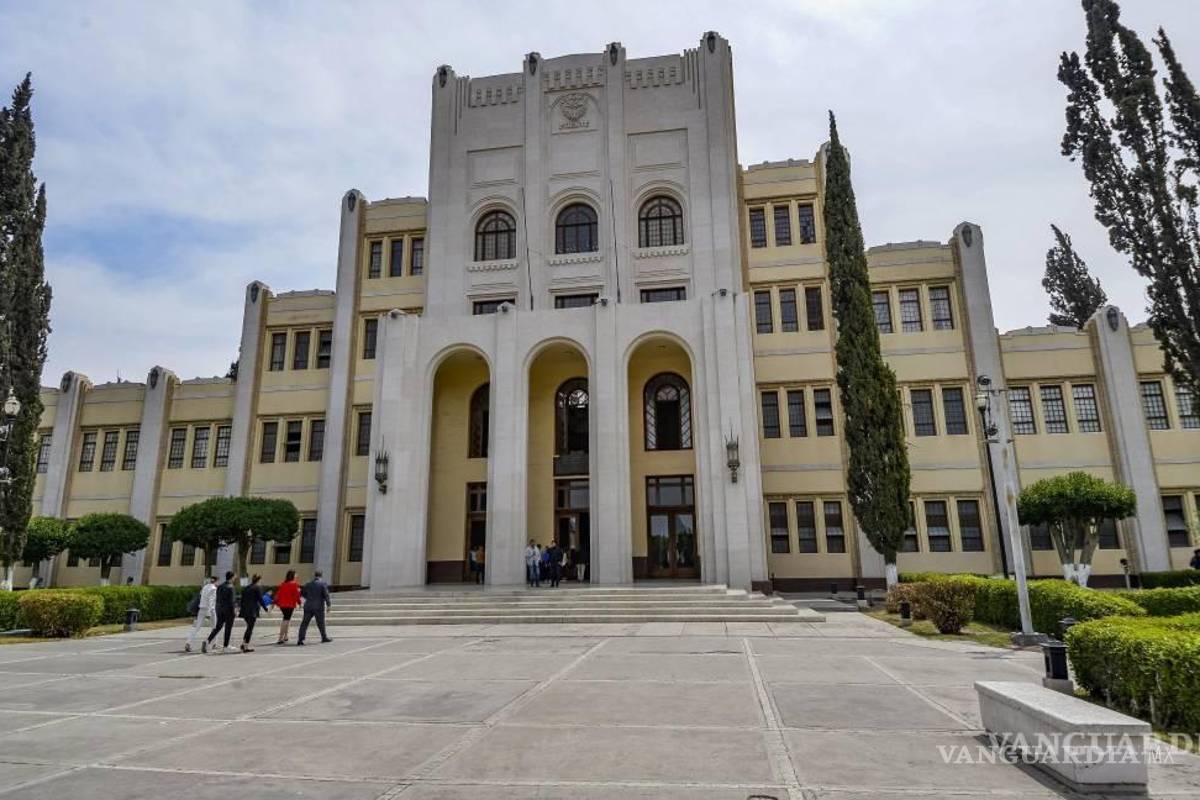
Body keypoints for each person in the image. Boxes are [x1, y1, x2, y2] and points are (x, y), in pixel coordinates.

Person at [297, 570, 333, 645]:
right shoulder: (323, 584)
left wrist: (308, 597)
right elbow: (326, 595)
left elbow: (302, 593)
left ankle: (300, 639)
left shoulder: (308, 584)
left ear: (315, 576)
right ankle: (324, 637)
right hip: (318, 606)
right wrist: (328, 605)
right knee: (321, 623)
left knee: (304, 623)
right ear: (321, 576)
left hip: (308, 606)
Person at [204, 571, 237, 653]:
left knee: (218, 626)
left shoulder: (220, 586)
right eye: (234, 576)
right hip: (228, 610)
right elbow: (232, 601)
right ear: (232, 577)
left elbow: (217, 598)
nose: (235, 578)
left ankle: (207, 641)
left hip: (220, 609)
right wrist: (234, 611)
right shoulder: (231, 587)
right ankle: (225, 646)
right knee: (228, 628)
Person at [185, 575, 218, 652]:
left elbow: (200, 596)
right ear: (216, 581)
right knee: (215, 627)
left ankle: (188, 642)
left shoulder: (205, 587)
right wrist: (209, 613)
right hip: (210, 610)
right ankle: (214, 643)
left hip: (201, 608)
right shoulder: (214, 589)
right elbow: (210, 600)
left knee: (197, 627)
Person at [239, 574, 265, 653]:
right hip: (252, 611)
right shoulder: (257, 588)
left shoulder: (246, 587)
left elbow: (242, 599)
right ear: (259, 580)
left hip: (244, 611)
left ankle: (243, 643)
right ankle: (245, 646)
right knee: (250, 628)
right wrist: (265, 608)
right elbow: (260, 599)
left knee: (249, 627)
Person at [275, 569, 301, 644]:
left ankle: (286, 636)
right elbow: (296, 595)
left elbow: (278, 594)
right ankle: (280, 638)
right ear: (293, 575)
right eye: (296, 574)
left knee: (287, 619)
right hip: (289, 605)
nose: (297, 575)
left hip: (282, 605)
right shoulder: (294, 584)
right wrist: (299, 603)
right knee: (286, 620)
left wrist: (274, 602)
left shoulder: (283, 584)